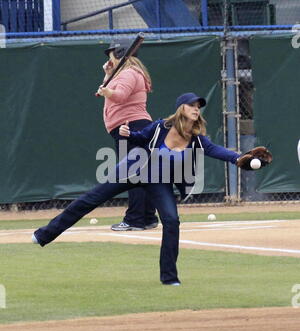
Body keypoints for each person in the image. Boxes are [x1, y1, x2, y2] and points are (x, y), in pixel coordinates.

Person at [32, 92, 243, 286]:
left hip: (159, 181)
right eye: (191, 105)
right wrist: (127, 133)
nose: (196, 109)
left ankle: (169, 277)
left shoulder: (197, 139)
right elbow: (140, 137)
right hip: (133, 170)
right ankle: (44, 234)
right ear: (181, 108)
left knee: (171, 220)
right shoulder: (161, 127)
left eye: (198, 106)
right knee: (90, 199)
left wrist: (240, 158)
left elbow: (217, 151)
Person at [96, 38, 158, 232]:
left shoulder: (129, 73)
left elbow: (120, 95)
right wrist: (107, 76)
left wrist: (107, 91)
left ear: (121, 54)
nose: (110, 59)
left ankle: (135, 219)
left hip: (130, 127)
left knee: (132, 174)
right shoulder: (125, 74)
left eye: (112, 54)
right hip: (134, 126)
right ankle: (147, 217)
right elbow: (116, 90)